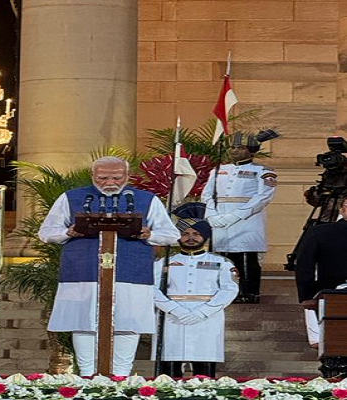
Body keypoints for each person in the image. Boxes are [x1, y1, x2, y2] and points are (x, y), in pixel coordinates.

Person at [38, 156, 179, 376]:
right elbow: (46, 233)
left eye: (116, 177)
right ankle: (87, 375)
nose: (109, 182)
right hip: (82, 271)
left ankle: (121, 374)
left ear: (127, 176)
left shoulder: (146, 199)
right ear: (93, 176)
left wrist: (150, 233)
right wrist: (68, 232)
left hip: (131, 271)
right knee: (83, 319)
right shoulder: (71, 198)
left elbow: (171, 235)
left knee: (128, 320)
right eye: (103, 177)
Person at [153, 202, 238, 378]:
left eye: (196, 234)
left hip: (207, 318)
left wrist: (203, 312)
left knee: (204, 371)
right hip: (171, 318)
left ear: (205, 237)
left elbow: (229, 289)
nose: (190, 237)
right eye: (185, 234)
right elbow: (152, 289)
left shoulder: (221, 263)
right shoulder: (164, 262)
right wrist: (174, 309)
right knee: (168, 372)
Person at [202, 131, 278, 304]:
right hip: (219, 218)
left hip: (247, 221)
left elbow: (263, 197)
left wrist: (236, 215)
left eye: (240, 147)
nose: (235, 151)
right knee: (222, 255)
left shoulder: (263, 171)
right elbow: (207, 195)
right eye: (233, 147)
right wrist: (211, 215)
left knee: (246, 257)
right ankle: (224, 291)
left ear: (251, 151)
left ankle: (248, 292)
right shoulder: (218, 170)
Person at [294, 197, 347, 349]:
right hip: (331, 293)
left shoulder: (319, 232)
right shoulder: (320, 232)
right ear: (341, 210)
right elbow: (305, 266)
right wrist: (307, 296)